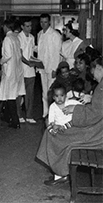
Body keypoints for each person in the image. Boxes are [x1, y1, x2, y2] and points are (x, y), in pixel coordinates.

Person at [36, 57, 103, 186]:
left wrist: (74, 109)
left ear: (100, 68)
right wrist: (90, 99)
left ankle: (60, 173)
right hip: (97, 127)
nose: (93, 77)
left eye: (93, 72)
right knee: (57, 131)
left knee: (53, 135)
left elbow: (93, 115)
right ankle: (60, 171)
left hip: (96, 132)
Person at [0, 19, 25, 128]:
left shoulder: (7, 38)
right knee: (12, 95)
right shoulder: (16, 38)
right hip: (16, 70)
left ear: (6, 27)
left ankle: (15, 121)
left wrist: (1, 61)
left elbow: (8, 55)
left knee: (10, 96)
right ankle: (10, 118)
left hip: (9, 70)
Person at [37, 13, 62, 119]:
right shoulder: (39, 34)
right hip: (42, 67)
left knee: (52, 92)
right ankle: (45, 113)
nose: (43, 24)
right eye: (41, 22)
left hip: (51, 68)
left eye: (45, 22)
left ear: (49, 22)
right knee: (44, 92)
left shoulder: (55, 35)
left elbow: (57, 53)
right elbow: (40, 50)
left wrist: (55, 69)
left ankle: (53, 114)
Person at [18, 17, 36, 123]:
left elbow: (32, 53)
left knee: (30, 94)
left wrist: (36, 61)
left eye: (30, 26)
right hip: (21, 69)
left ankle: (29, 115)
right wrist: (28, 62)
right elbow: (20, 55)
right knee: (20, 94)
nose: (29, 28)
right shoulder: (19, 38)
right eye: (27, 26)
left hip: (30, 70)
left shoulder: (32, 37)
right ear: (22, 27)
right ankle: (19, 115)